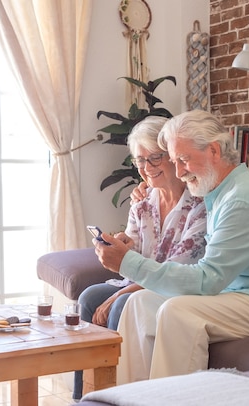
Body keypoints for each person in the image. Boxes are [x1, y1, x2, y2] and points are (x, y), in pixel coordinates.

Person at [93, 109, 249, 385]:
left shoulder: (240, 200)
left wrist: (127, 262)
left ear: (213, 151)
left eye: (184, 160)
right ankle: (129, 399)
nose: (179, 172)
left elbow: (207, 280)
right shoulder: (218, 192)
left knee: (178, 313)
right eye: (174, 161)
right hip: (238, 293)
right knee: (139, 303)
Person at [73, 116, 207, 400]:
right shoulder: (142, 204)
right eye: (140, 161)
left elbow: (178, 270)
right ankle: (85, 396)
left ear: (173, 156)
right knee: (87, 298)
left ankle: (118, 395)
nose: (146, 169)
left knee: (119, 302)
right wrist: (121, 246)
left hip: (175, 287)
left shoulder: (199, 205)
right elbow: (131, 261)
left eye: (154, 158)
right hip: (140, 283)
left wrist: (120, 290)